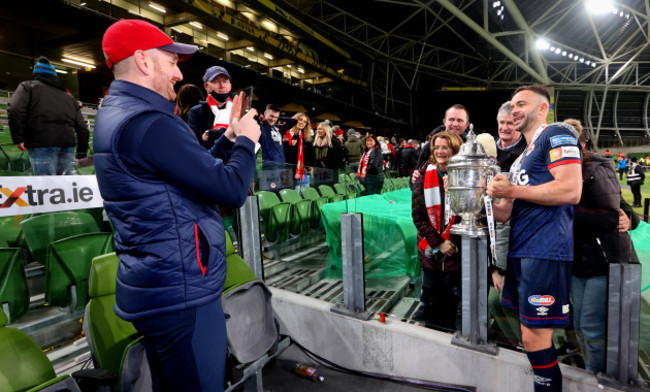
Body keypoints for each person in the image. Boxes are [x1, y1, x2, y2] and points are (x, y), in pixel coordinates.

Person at [94, 19, 260, 391]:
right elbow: (231, 189)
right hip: (181, 289)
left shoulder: (121, 113)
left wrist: (229, 138)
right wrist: (248, 142)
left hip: (158, 287)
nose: (178, 72)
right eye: (170, 61)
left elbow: (189, 169)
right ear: (143, 61)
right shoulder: (150, 122)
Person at [487, 85, 582, 392]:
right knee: (530, 336)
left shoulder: (556, 133)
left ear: (543, 108)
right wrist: (484, 193)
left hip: (546, 250)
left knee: (535, 337)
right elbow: (505, 214)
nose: (514, 110)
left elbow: (570, 190)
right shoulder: (521, 158)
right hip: (522, 251)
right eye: (512, 105)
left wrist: (512, 191)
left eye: (522, 104)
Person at [568, 118, 639, 374]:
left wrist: (629, 219)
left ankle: (596, 379)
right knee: (579, 323)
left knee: (590, 325)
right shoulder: (559, 170)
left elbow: (616, 212)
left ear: (583, 143)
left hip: (604, 260)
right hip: (579, 261)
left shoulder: (596, 169)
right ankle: (591, 373)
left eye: (573, 141)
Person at [411, 131, 464, 331]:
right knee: (430, 291)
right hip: (431, 249)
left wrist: (451, 244)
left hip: (454, 250)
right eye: (437, 147)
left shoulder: (463, 175)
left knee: (454, 296)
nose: (440, 151)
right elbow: (418, 216)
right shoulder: (423, 175)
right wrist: (439, 243)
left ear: (455, 150)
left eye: (445, 147)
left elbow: (469, 215)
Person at [8, 56, 89, 175]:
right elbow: (82, 128)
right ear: (54, 76)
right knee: (65, 186)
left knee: (46, 188)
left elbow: (15, 109)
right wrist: (81, 154)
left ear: (36, 75)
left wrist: (19, 138)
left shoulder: (28, 86)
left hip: (41, 143)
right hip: (67, 144)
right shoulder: (69, 97)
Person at [188, 65, 233, 149]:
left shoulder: (239, 110)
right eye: (216, 81)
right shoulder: (197, 112)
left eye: (225, 81)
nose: (222, 85)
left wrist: (209, 134)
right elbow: (194, 145)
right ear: (206, 87)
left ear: (230, 85)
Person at [495, 101, 527, 173]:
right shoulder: (485, 147)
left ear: (520, 125)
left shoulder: (529, 149)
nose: (505, 128)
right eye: (502, 122)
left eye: (510, 123)